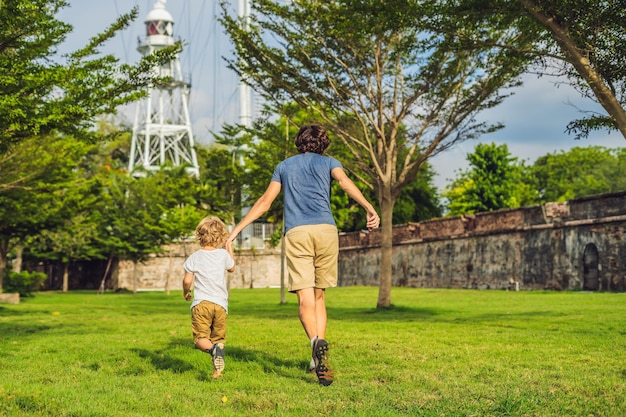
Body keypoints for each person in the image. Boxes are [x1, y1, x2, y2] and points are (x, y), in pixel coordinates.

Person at [226, 124, 380, 386]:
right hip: (326, 231)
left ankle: (315, 343)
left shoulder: (284, 166)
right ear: (323, 143)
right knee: (320, 296)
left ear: (299, 142)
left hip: (297, 233)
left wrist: (235, 231)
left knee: (305, 297)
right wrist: (368, 207)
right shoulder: (331, 162)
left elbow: (265, 202)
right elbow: (344, 182)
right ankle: (316, 359)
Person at [182, 216, 236, 379]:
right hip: (220, 305)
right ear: (220, 237)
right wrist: (229, 247)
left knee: (200, 339)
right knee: (218, 339)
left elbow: (187, 280)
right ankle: (217, 372)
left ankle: (213, 351)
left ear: (199, 236)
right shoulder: (222, 255)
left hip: (202, 304)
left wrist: (186, 291)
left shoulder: (194, 257)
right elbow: (232, 267)